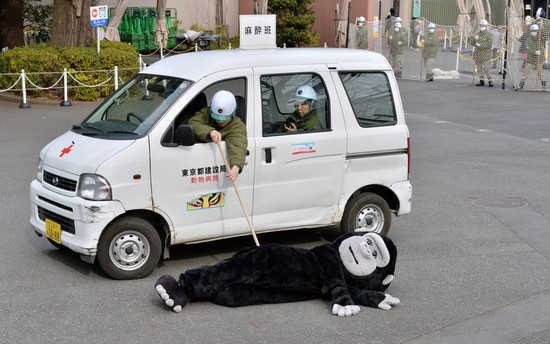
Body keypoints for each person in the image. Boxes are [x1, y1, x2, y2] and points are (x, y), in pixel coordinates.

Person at [188, 90, 248, 181]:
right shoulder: (206, 113)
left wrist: (236, 166)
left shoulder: (237, 126)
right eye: (217, 118)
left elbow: (238, 145)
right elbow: (193, 123)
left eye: (224, 119)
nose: (220, 121)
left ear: (233, 113)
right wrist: (210, 131)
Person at [517, 24, 547, 91]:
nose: (533, 32)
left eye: (535, 31)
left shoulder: (540, 38)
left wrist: (542, 28)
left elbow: (545, 36)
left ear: (537, 31)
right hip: (530, 57)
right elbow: (529, 49)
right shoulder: (528, 40)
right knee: (526, 72)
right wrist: (535, 52)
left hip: (539, 57)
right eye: (532, 31)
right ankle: (521, 85)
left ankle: (544, 85)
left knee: (540, 71)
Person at [471, 19, 493, 87]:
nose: (482, 27)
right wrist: (474, 39)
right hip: (478, 54)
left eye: (483, 26)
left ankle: (490, 81)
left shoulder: (489, 35)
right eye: (481, 25)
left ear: (486, 26)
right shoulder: (477, 34)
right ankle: (481, 80)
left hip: (485, 54)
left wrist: (480, 45)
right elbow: (471, 43)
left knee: (487, 68)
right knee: (479, 68)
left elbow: (489, 44)